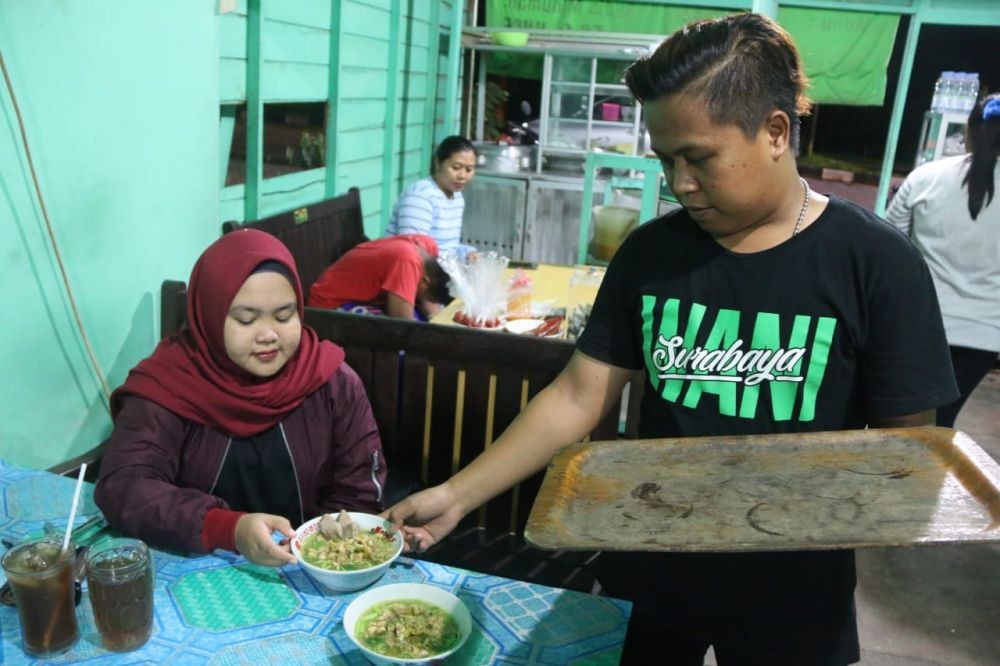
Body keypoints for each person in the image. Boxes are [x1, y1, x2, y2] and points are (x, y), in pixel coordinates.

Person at [386, 13, 958, 666]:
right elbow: (577, 395)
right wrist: (456, 495)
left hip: (793, 587)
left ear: (775, 131)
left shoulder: (875, 264)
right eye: (665, 158)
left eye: (699, 158)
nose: (678, 183)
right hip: (652, 562)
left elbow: (906, 449)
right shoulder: (652, 254)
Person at [95, 229, 386, 567]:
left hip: (307, 569)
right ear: (210, 315)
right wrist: (227, 528)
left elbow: (360, 491)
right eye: (246, 319)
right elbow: (125, 487)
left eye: (284, 315)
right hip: (197, 564)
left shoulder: (333, 382)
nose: (268, 335)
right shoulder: (168, 385)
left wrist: (326, 539)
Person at [885, 93, 1000, 427]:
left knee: (898, 420)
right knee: (941, 421)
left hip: (919, 325)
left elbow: (890, 247)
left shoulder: (926, 177)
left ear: (971, 129)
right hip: (986, 334)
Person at [307, 234, 450, 320]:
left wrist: (434, 314)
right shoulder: (407, 261)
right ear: (425, 281)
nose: (428, 301)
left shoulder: (426, 247)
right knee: (401, 345)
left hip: (358, 299)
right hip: (328, 306)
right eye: (428, 298)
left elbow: (432, 308)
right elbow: (402, 323)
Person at [385, 135, 478, 260]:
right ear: (438, 162)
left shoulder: (457, 197)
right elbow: (413, 252)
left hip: (437, 269)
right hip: (408, 271)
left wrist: (467, 253)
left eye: (469, 170)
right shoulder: (420, 196)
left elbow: (447, 248)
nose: (462, 175)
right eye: (456, 168)